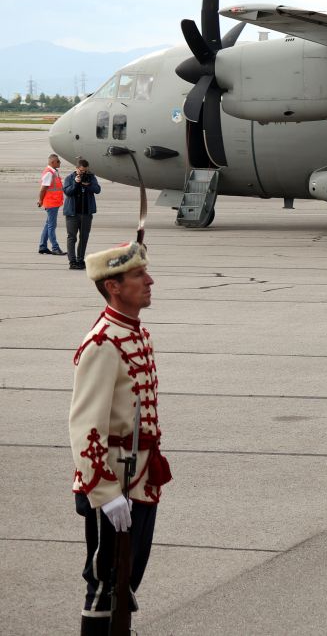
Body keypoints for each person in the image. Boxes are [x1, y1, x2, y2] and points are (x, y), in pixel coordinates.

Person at [70, 241, 173, 634]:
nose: (149, 281)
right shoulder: (103, 343)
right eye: (137, 276)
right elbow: (85, 425)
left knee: (126, 582)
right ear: (113, 287)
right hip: (113, 481)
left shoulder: (134, 333)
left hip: (141, 477)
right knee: (105, 586)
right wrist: (105, 491)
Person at [63, 158, 101, 271]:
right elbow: (68, 192)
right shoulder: (69, 178)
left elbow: (98, 190)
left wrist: (87, 185)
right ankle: (72, 261)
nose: (83, 173)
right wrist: (76, 183)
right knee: (72, 237)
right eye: (81, 171)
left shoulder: (91, 177)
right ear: (77, 169)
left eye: (85, 171)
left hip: (86, 213)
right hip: (72, 214)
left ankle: (80, 259)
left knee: (84, 237)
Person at [37, 153, 65, 256]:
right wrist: (40, 200)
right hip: (51, 203)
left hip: (54, 202)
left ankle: (43, 246)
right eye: (58, 161)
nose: (60, 163)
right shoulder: (49, 173)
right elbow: (43, 189)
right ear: (53, 162)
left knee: (48, 225)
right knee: (52, 226)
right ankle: (55, 248)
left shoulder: (54, 172)